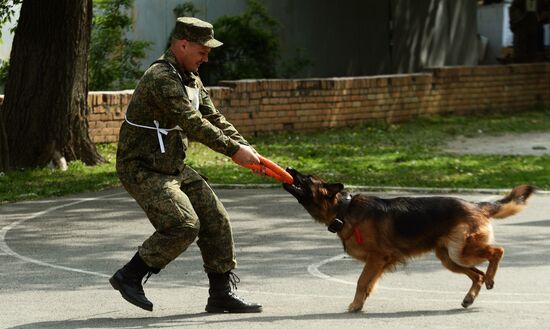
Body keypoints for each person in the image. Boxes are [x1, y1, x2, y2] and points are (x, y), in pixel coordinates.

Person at [109, 16, 263, 313]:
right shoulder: (162, 78)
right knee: (183, 223)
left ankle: (220, 294)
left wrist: (244, 146)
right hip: (142, 167)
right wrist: (233, 151)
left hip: (172, 166)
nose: (206, 58)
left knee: (215, 218)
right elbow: (193, 123)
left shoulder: (189, 76)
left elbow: (212, 117)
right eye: (202, 51)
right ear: (182, 45)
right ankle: (129, 276)